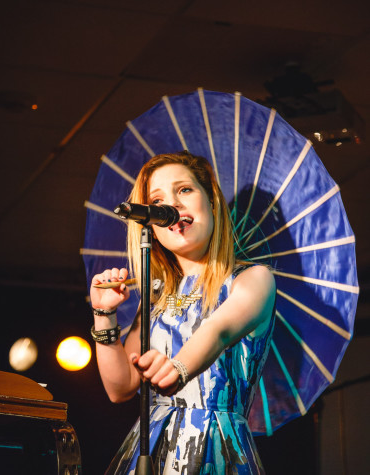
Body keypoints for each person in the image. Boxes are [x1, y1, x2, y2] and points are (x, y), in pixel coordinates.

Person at [90, 151, 276, 474]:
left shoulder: (252, 279)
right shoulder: (159, 296)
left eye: (184, 190)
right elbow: (120, 388)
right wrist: (103, 316)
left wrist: (178, 367)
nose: (172, 205)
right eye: (157, 199)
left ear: (212, 203)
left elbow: (218, 330)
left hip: (217, 449)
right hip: (154, 445)